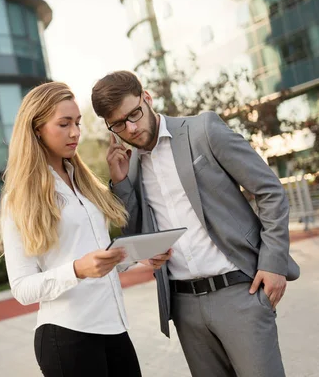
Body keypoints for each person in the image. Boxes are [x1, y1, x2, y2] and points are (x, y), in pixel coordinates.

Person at [90, 71, 301, 377]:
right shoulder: (129, 165)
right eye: (119, 124)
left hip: (240, 292)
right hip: (184, 306)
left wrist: (274, 263)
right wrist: (121, 182)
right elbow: (136, 237)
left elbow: (270, 190)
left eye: (134, 114)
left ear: (146, 98)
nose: (131, 128)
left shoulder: (203, 129)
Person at [0, 82, 151, 377]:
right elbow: (22, 288)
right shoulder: (19, 198)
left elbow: (99, 258)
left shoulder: (84, 181)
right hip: (67, 336)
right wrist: (76, 270)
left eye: (77, 123)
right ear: (36, 128)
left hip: (114, 327)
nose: (76, 132)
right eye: (64, 124)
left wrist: (140, 255)